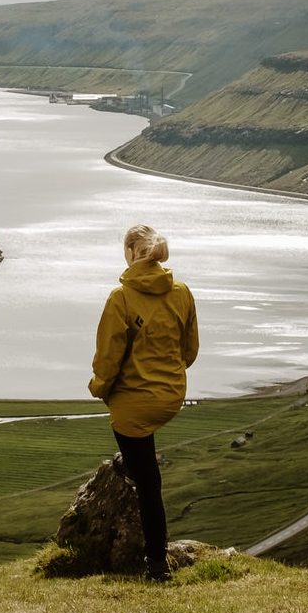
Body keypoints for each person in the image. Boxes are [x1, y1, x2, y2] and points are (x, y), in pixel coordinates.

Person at [88, 224, 198, 581]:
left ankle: (156, 564)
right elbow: (190, 351)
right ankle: (132, 465)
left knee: (148, 483)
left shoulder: (120, 297)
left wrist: (99, 388)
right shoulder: (181, 292)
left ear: (132, 251)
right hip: (171, 396)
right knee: (142, 463)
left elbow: (108, 358)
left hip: (135, 405)